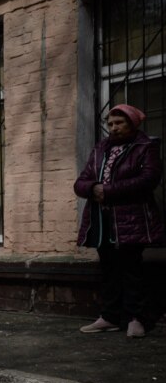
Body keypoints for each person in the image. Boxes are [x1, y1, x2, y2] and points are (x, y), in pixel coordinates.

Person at [73, 104, 164, 338]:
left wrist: (109, 191)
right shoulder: (101, 148)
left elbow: (149, 179)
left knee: (131, 269)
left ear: (132, 123)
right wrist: (93, 188)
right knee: (108, 270)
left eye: (119, 123)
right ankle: (110, 317)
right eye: (110, 123)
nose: (113, 128)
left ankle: (136, 319)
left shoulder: (145, 147)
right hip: (102, 221)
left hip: (131, 219)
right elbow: (81, 181)